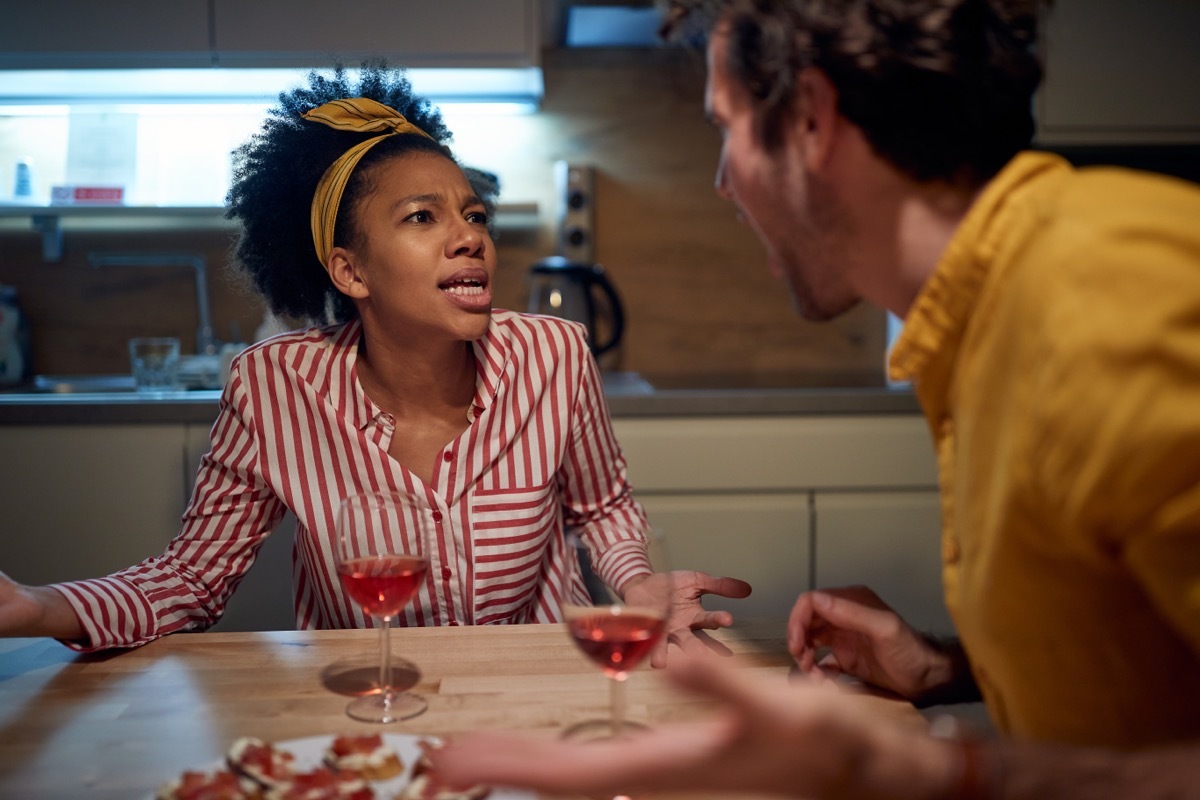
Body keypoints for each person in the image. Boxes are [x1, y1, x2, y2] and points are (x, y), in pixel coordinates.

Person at [430, 1, 1200, 797]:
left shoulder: (1114, 300)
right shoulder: (987, 320)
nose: (723, 183)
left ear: (809, 119)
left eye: (725, 127)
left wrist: (945, 770)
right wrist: (938, 667)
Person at [0, 64, 750, 653]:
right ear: (350, 271)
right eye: (423, 217)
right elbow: (191, 579)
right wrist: (40, 608)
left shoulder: (552, 355)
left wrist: (636, 581)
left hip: (546, 686)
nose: (469, 236)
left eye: (473, 214)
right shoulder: (273, 389)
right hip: (369, 710)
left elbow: (604, 506)